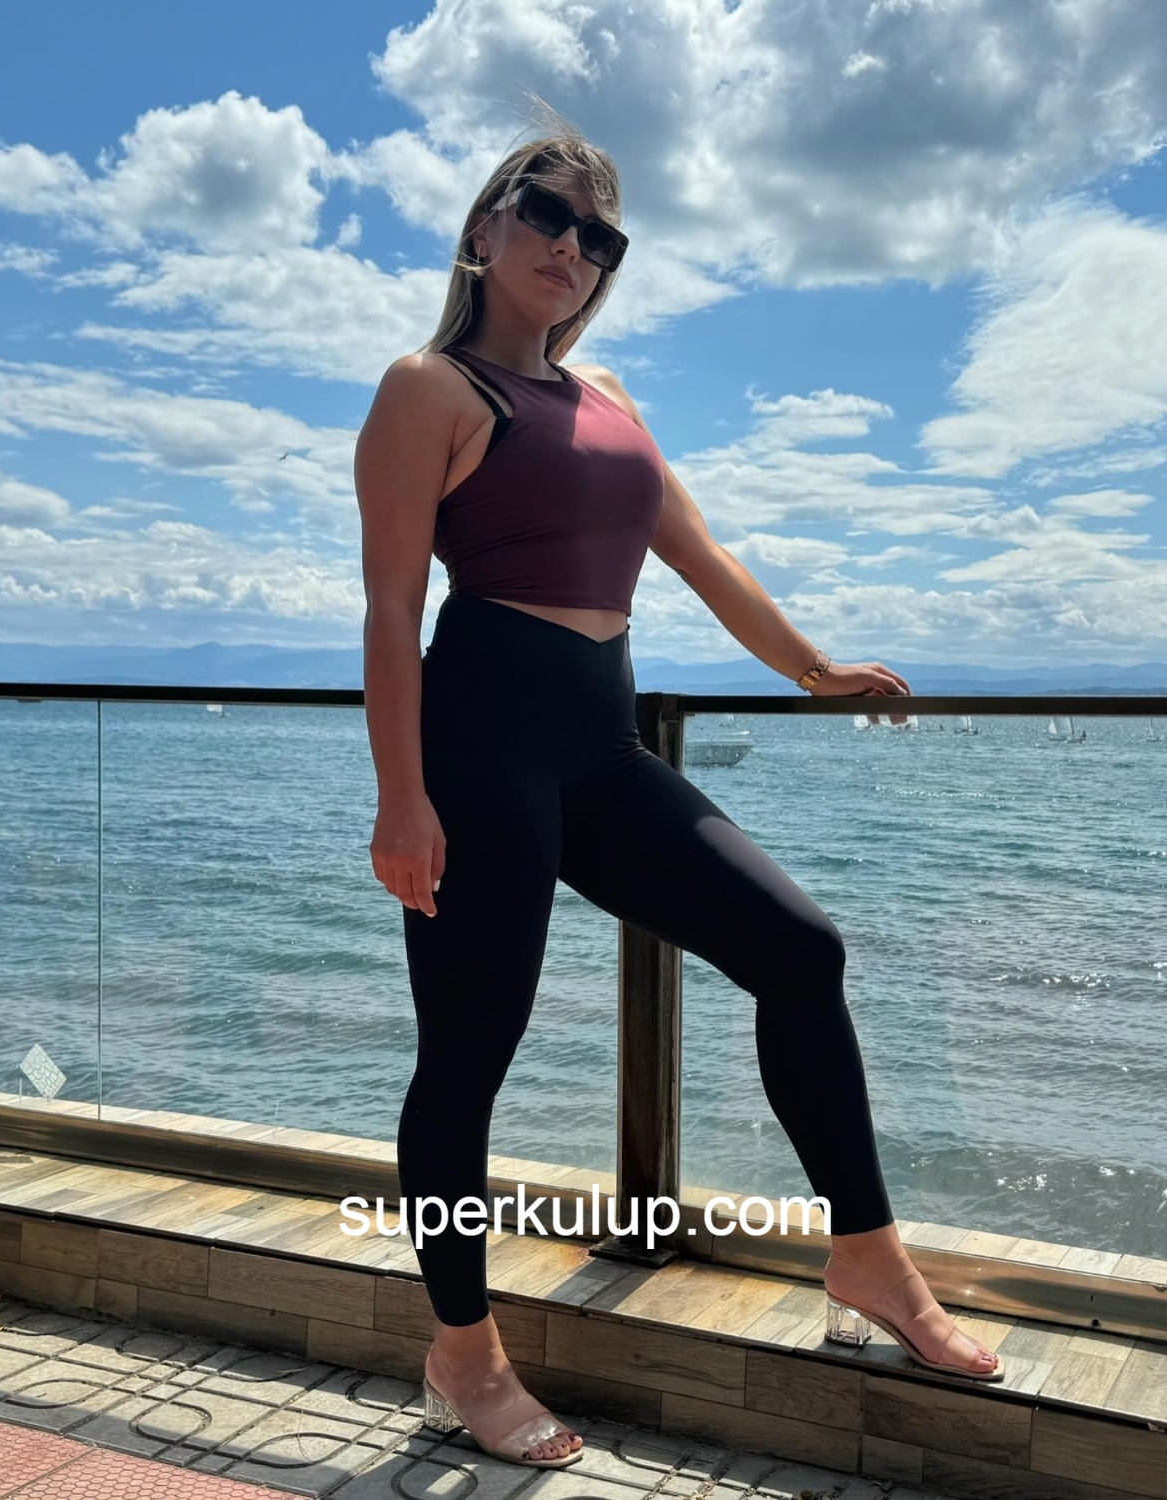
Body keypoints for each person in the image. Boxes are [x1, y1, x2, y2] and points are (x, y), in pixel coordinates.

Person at [354, 111, 1003, 1472]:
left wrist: (815, 669)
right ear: (485, 229)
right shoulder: (429, 388)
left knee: (800, 950)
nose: (573, 248)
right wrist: (400, 797)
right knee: (470, 1052)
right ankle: (463, 1350)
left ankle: (867, 1256)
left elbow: (702, 561)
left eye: (601, 236)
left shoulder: (610, 400)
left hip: (602, 747)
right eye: (547, 214)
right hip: (478, 748)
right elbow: (392, 612)